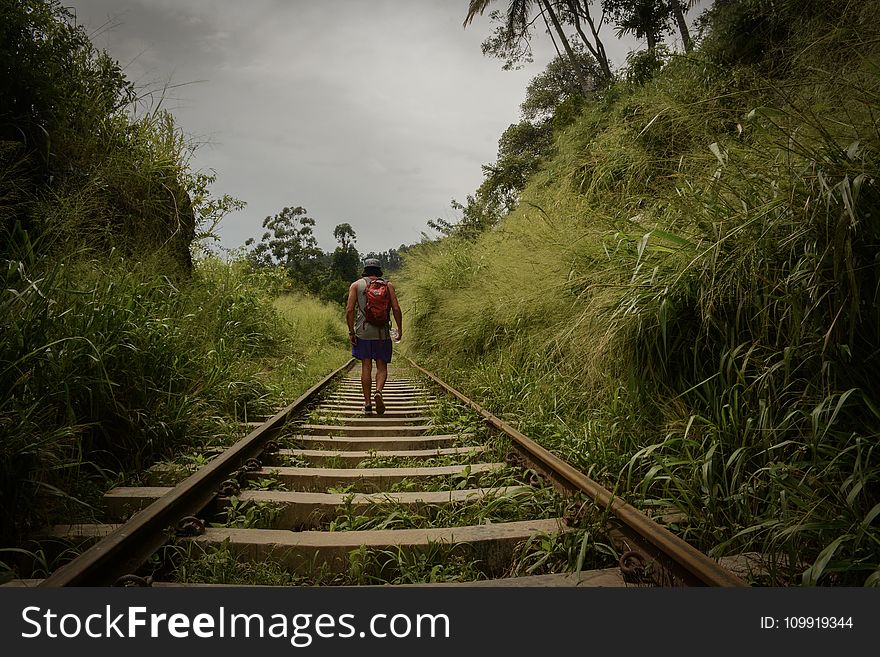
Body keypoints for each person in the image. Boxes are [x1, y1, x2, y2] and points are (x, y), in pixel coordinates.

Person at [346, 258, 402, 414]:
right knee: (382, 366)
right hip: (382, 333)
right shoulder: (388, 285)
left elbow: (349, 310)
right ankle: (378, 391)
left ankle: (368, 404)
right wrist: (400, 328)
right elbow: (396, 309)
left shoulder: (356, 285)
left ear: (365, 269)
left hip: (363, 332)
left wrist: (351, 331)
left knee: (366, 366)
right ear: (379, 271)